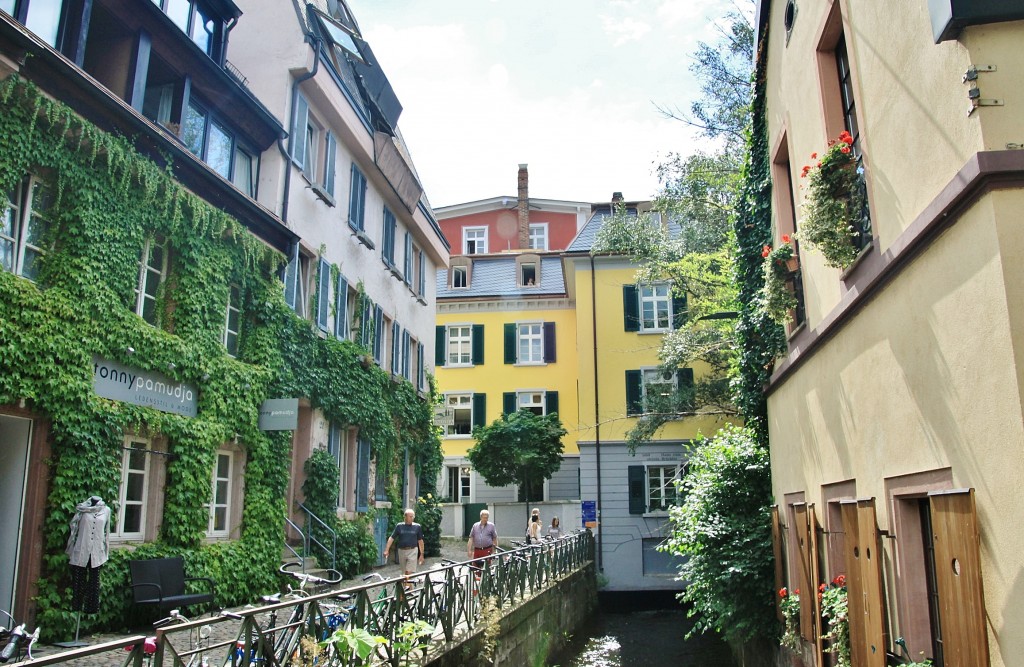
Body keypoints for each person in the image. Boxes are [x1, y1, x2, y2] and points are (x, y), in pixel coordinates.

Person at [383, 508, 425, 577]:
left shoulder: (417, 527)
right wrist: (386, 550)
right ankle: (409, 587)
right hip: (401, 551)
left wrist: (422, 554)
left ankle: (407, 586)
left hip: (413, 551)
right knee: (404, 574)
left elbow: (420, 541)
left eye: (413, 516)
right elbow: (391, 538)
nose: (412, 518)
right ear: (405, 517)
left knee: (407, 573)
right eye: (410, 516)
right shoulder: (399, 526)